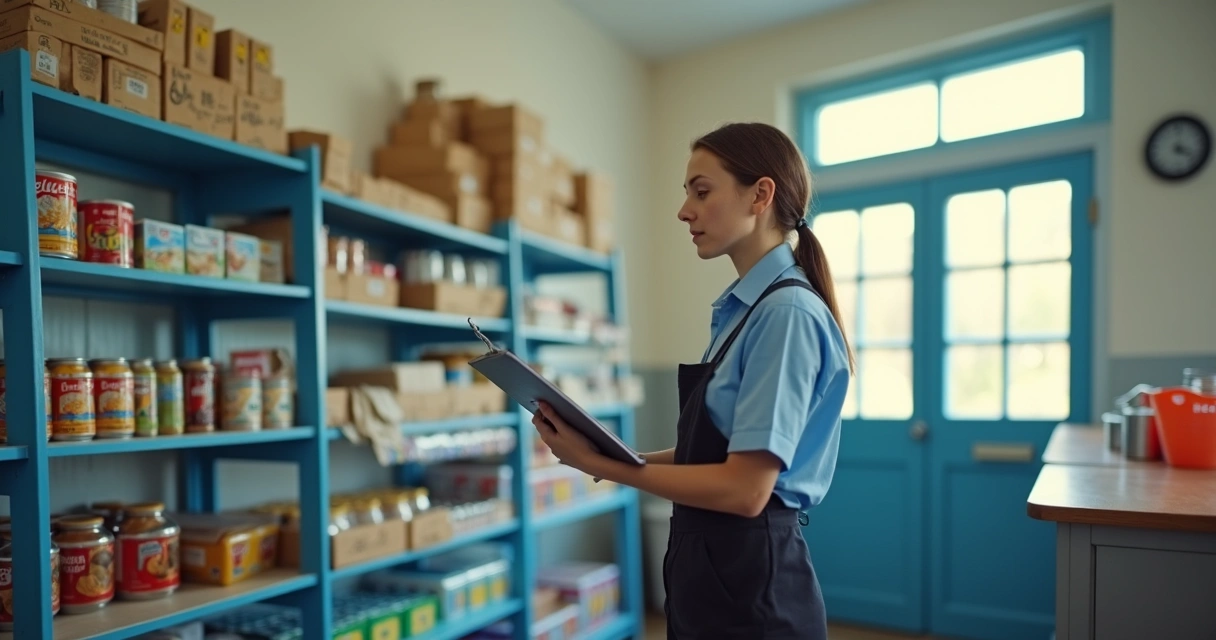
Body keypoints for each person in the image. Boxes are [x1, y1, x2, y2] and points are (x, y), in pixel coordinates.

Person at [532, 121, 853, 639]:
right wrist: (617, 453)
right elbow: (713, 453)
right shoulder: (743, 310)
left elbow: (746, 489)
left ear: (760, 195)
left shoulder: (785, 314)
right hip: (713, 569)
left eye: (702, 192)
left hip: (752, 585)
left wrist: (603, 467)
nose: (684, 211)